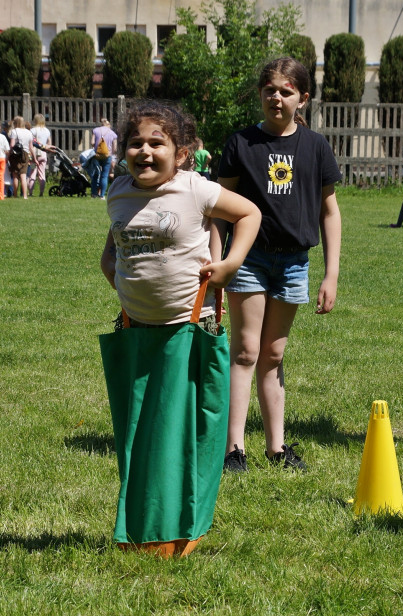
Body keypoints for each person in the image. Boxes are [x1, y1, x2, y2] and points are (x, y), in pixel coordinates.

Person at [99, 101, 261, 553]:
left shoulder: (196, 190)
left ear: (182, 151)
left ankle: (182, 530)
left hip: (189, 328)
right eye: (135, 143)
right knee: (140, 432)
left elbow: (249, 214)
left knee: (185, 434)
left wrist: (230, 265)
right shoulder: (118, 192)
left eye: (157, 143)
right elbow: (116, 240)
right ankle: (142, 526)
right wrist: (110, 265)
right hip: (135, 329)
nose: (144, 151)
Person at [218, 57, 343, 472]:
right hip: (248, 260)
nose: (277, 97)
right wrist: (219, 262)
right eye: (270, 89)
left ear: (302, 99)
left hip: (293, 264)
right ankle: (233, 449)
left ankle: (277, 447)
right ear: (260, 94)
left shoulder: (316, 147)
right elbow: (219, 209)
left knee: (273, 354)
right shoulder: (240, 144)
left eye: (286, 91)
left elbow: (329, 211)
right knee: (246, 351)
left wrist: (331, 272)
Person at [90, 118, 118, 198]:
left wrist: (97, 146)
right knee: (104, 176)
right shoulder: (113, 134)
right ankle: (102, 195)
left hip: (96, 155)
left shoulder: (95, 130)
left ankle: (93, 194)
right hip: (107, 156)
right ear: (109, 125)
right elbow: (115, 149)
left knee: (95, 174)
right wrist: (110, 153)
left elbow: (92, 142)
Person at [8, 115, 33, 199]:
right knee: (23, 175)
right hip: (25, 154)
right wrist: (34, 158)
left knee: (15, 175)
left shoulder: (14, 131)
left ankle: (15, 195)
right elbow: (31, 147)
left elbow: (12, 145)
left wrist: (8, 155)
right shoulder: (29, 132)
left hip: (16, 154)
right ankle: (25, 195)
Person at [29, 113, 54, 196]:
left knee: (32, 173)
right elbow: (49, 143)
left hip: (34, 154)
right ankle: (41, 192)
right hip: (43, 153)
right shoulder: (47, 131)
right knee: (42, 174)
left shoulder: (33, 130)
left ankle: (30, 192)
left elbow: (30, 143)